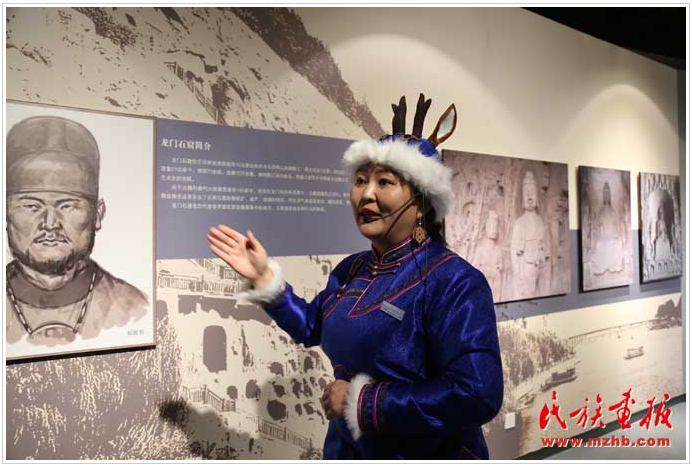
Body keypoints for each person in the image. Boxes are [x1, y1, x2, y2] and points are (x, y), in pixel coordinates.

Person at [208, 94, 503, 459]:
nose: (366, 194)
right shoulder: (351, 270)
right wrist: (264, 278)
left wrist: (364, 403)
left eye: (385, 182)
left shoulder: (454, 282)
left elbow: (477, 393)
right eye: (361, 180)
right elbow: (312, 325)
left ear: (422, 203)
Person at [6, 115, 148, 346]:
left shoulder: (131, 307)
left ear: (97, 215)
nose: (50, 223)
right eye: (31, 206)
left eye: (67, 206)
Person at [510, 171, 548, 299]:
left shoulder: (540, 222)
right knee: (527, 295)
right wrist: (518, 273)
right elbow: (513, 251)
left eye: (532, 193)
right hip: (524, 267)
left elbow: (545, 248)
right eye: (526, 194)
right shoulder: (519, 223)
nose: (530, 197)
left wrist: (542, 258)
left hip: (538, 265)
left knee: (539, 295)